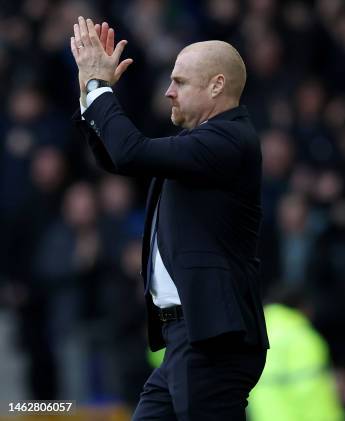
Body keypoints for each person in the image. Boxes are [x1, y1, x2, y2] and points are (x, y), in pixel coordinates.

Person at [70, 17, 268, 420]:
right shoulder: (200, 143)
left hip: (212, 340)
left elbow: (131, 152)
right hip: (190, 336)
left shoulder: (229, 140)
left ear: (216, 85)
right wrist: (88, 96)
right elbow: (117, 158)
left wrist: (99, 88)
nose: (168, 92)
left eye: (179, 82)